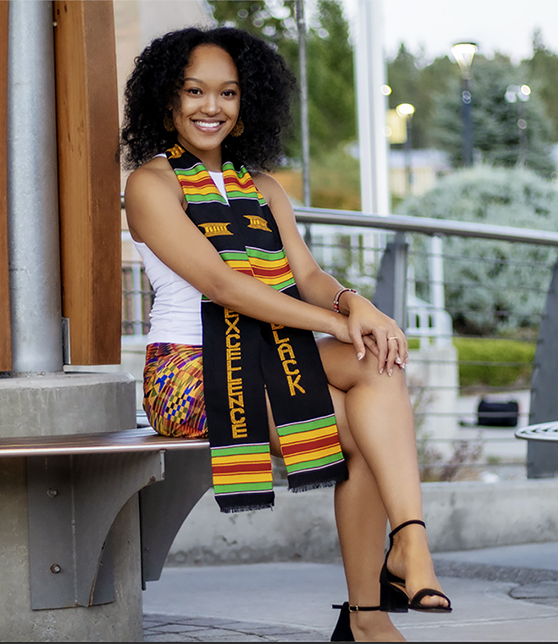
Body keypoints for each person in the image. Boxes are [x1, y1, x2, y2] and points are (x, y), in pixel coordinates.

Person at [121, 26, 451, 642]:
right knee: (359, 433)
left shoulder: (265, 189)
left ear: (247, 105)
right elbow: (223, 286)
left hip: (270, 353)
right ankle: (369, 613)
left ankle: (408, 545)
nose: (210, 107)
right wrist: (333, 323)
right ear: (168, 101)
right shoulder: (151, 185)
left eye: (227, 93)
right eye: (194, 91)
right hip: (189, 372)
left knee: (379, 363)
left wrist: (358, 307)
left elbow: (308, 274)